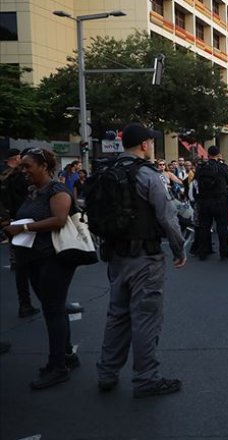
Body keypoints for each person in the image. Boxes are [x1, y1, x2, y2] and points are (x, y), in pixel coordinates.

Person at [94, 123, 186, 398]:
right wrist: (179, 249)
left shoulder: (108, 170)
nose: (152, 146)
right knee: (145, 318)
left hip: (116, 255)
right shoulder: (148, 174)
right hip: (145, 257)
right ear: (144, 144)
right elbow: (167, 216)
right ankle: (146, 379)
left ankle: (107, 372)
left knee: (117, 315)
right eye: (151, 142)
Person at [3, 148, 81, 389]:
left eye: (28, 166)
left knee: (53, 311)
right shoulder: (33, 191)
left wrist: (23, 229)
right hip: (34, 259)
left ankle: (58, 367)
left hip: (54, 259)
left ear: (44, 167)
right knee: (54, 308)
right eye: (21, 167)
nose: (23, 171)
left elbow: (59, 219)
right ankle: (66, 356)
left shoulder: (57, 190)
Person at [1, 148, 40, 318]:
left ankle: (25, 303)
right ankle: (47, 301)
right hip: (26, 221)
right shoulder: (24, 179)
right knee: (39, 263)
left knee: (22, 267)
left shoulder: (6, 177)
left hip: (12, 221)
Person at [193, 147, 228, 260]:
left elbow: (196, 182)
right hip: (220, 201)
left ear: (208, 154)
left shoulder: (201, 167)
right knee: (222, 228)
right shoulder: (222, 167)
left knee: (204, 227)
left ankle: (202, 252)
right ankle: (224, 253)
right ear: (218, 154)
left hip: (204, 201)